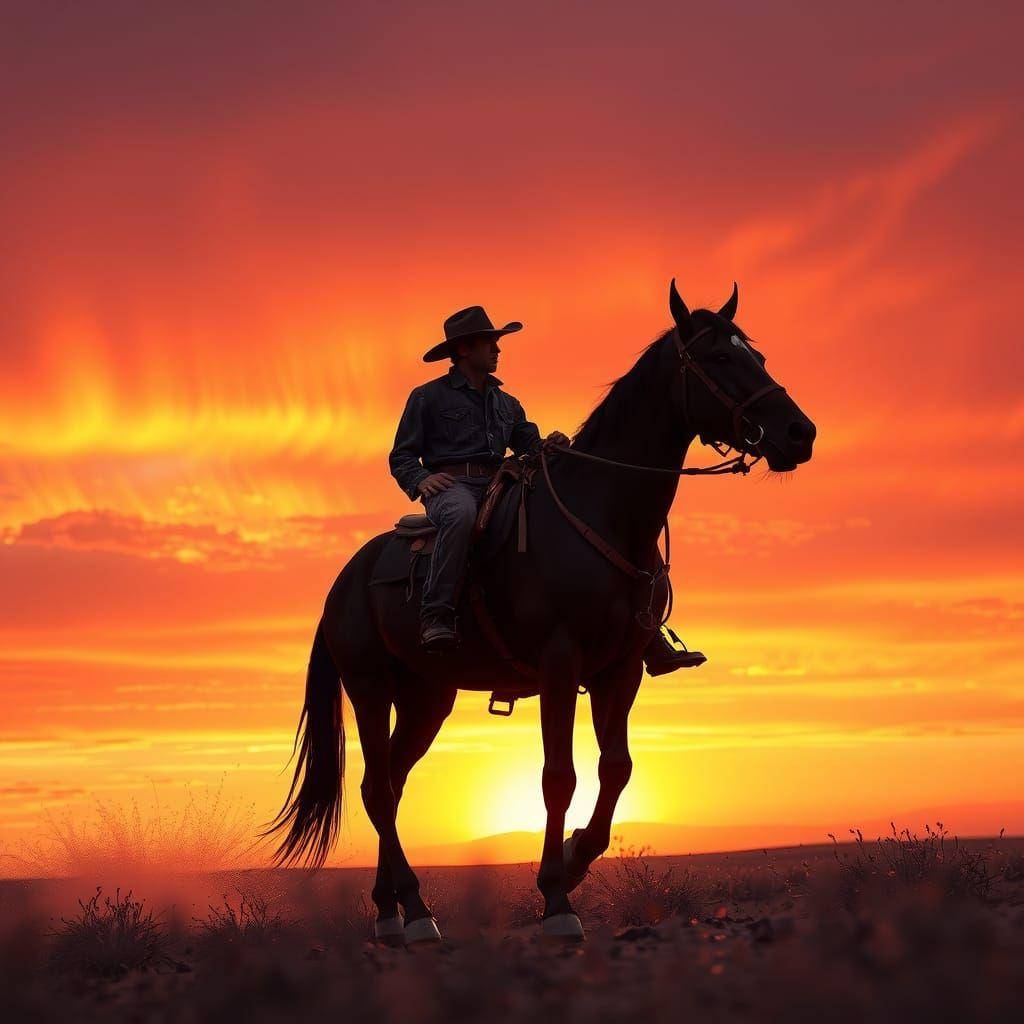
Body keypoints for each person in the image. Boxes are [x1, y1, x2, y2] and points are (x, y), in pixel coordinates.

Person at [389, 304, 706, 674]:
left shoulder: (506, 403)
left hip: (498, 481)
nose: (497, 350)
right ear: (463, 350)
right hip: (452, 486)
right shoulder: (428, 397)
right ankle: (436, 613)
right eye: (489, 342)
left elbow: (528, 442)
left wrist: (549, 446)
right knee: (461, 515)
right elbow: (402, 456)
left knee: (563, 516)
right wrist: (421, 480)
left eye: (497, 343)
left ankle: (646, 630)